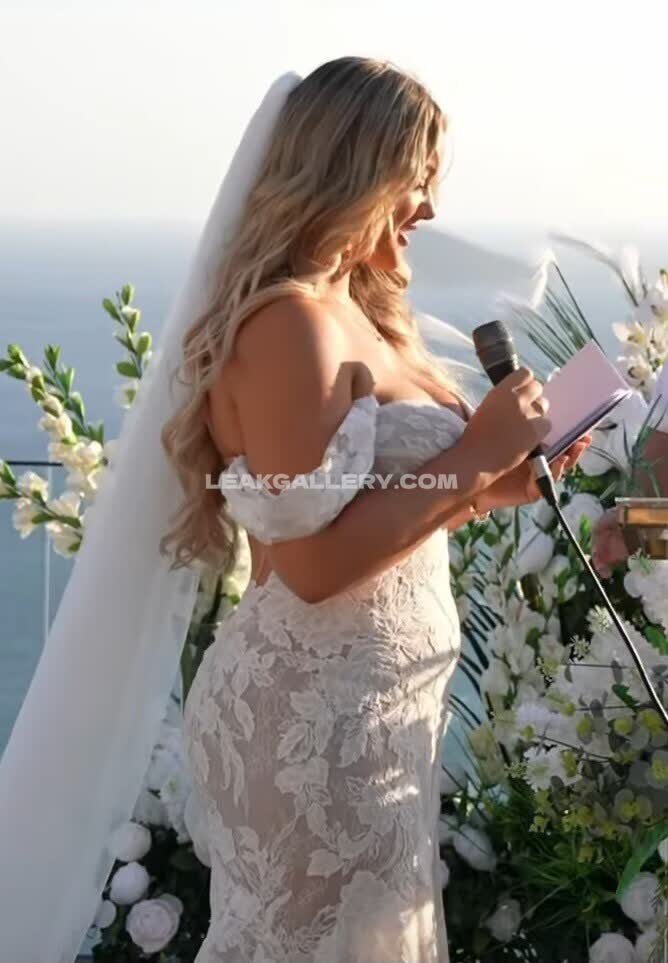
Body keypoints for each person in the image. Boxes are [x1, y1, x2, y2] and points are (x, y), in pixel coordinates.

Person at [157, 57, 591, 962]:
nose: (428, 209)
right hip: (311, 724)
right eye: (416, 181)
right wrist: (473, 455)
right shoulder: (290, 326)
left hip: (381, 719)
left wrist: (496, 482)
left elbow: (384, 512)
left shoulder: (362, 314)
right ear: (353, 174)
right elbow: (313, 567)